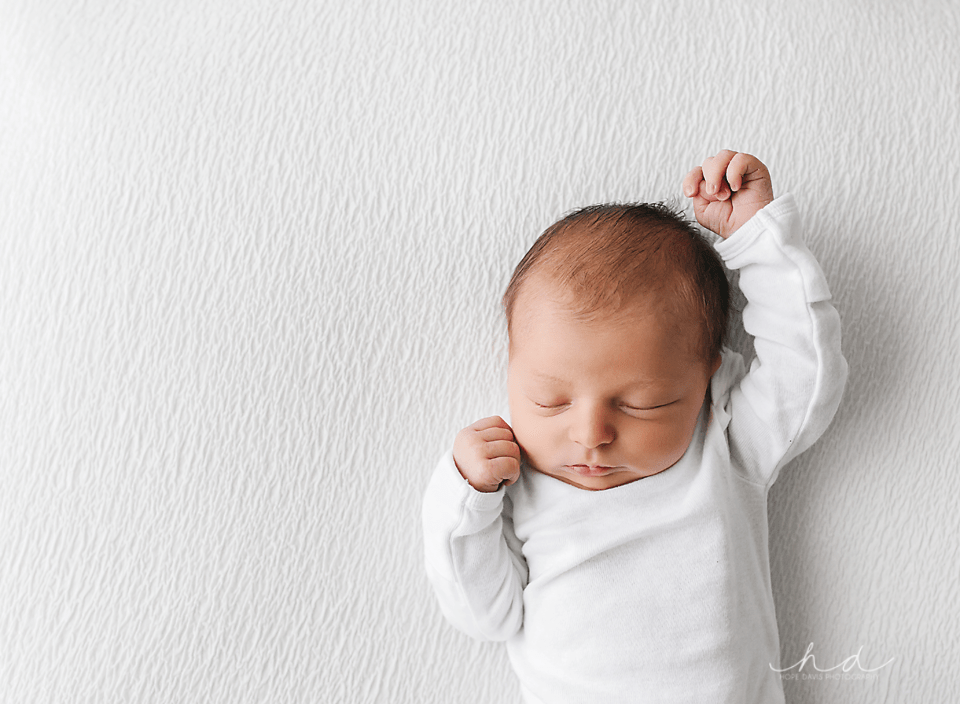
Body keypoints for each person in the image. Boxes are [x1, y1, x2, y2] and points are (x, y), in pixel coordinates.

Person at [422, 150, 847, 703]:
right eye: (550, 400)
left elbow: (804, 375)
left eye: (642, 404)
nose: (590, 434)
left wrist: (758, 241)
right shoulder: (514, 485)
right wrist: (465, 498)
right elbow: (484, 616)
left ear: (707, 378)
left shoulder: (722, 447)